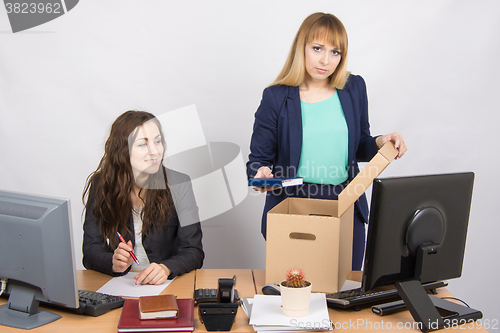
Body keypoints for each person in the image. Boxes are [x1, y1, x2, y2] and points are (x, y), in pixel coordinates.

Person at [246, 12, 407, 270]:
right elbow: (257, 161)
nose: (325, 60)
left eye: (335, 52)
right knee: (297, 296)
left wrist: (380, 141)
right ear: (302, 47)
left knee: (345, 295)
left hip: (345, 202)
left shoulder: (353, 88)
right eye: (318, 48)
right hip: (294, 203)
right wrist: (262, 173)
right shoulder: (275, 97)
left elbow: (358, 145)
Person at [82, 110, 204, 285]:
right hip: (120, 284)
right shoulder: (102, 184)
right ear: (122, 150)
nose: (154, 151)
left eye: (158, 142)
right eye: (142, 144)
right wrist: (113, 262)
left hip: (165, 286)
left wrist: (166, 267)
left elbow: (194, 251)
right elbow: (90, 251)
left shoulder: (179, 183)